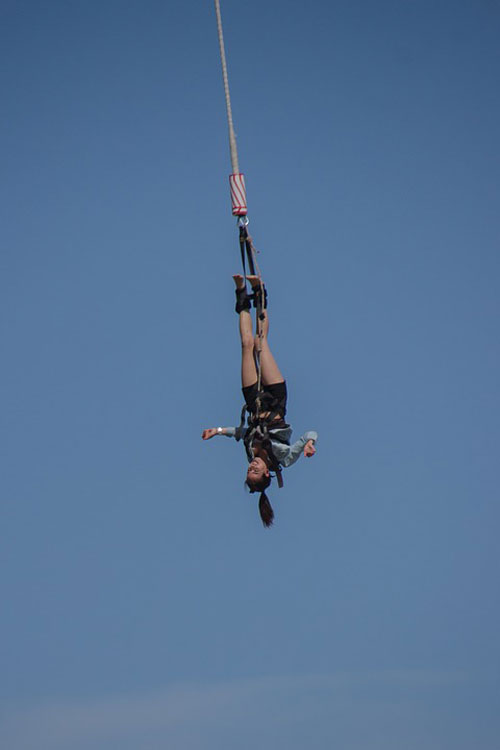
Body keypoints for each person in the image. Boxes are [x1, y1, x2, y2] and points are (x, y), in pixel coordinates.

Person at [201, 275, 318, 527]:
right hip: (275, 400)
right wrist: (310, 444)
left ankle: (242, 295)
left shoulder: (250, 452)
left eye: (248, 470)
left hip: (253, 402)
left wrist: (218, 431)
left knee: (245, 345)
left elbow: (242, 433)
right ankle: (260, 294)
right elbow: (310, 432)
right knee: (260, 345)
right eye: (255, 470)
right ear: (266, 473)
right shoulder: (283, 458)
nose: (251, 465)